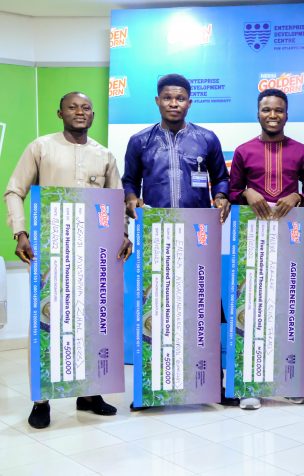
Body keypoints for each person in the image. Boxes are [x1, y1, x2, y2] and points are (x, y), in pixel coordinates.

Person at [4, 91, 132, 429]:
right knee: (46, 323)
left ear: (92, 115)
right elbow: (14, 190)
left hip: (95, 255)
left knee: (93, 321)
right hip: (50, 253)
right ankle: (41, 399)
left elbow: (117, 200)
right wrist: (20, 232)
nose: (80, 112)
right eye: (72, 107)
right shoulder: (41, 147)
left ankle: (89, 394)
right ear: (59, 113)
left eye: (86, 107)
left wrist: (122, 233)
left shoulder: (104, 155)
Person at [120, 73, 232, 407]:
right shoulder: (140, 141)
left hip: (198, 237)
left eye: (180, 98)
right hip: (157, 236)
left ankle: (213, 386)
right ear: (157, 101)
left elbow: (221, 178)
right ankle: (151, 389)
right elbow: (129, 181)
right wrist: (131, 199)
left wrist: (221, 197)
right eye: (168, 98)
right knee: (157, 309)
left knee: (203, 310)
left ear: (189, 102)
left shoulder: (206, 139)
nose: (174, 103)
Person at [228, 88, 304, 410]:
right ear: (258, 113)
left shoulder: (301, 151)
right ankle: (249, 385)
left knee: (289, 308)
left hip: (291, 240)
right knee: (252, 309)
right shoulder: (243, 151)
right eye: (266, 110)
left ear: (287, 114)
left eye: (279, 110)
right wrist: (247, 193)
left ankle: (290, 383)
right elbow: (231, 191)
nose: (273, 115)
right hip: (253, 241)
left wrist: (298, 196)